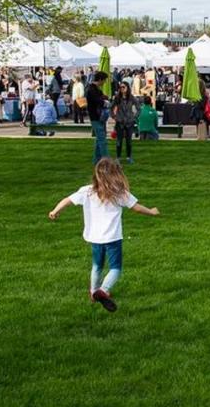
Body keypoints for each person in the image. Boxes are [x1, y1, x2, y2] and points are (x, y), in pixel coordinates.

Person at [48, 158, 159, 312]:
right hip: (112, 237)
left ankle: (93, 292)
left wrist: (55, 211)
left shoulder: (86, 191)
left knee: (97, 265)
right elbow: (137, 208)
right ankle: (103, 290)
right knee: (115, 268)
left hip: (94, 237)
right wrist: (152, 212)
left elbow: (67, 200)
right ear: (116, 175)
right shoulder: (119, 193)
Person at [112, 81, 139, 163]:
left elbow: (139, 109)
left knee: (129, 141)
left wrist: (134, 117)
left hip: (129, 122)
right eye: (121, 87)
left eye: (124, 87)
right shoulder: (117, 98)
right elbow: (111, 107)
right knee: (119, 141)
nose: (122, 89)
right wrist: (114, 116)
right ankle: (118, 157)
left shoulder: (132, 98)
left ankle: (129, 157)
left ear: (127, 88)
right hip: (120, 121)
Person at [87, 71, 109, 164]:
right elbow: (98, 101)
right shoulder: (92, 90)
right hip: (96, 117)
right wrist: (105, 101)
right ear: (100, 79)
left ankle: (96, 160)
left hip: (98, 116)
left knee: (98, 139)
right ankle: (106, 160)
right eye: (104, 80)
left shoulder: (95, 89)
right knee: (102, 139)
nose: (104, 82)